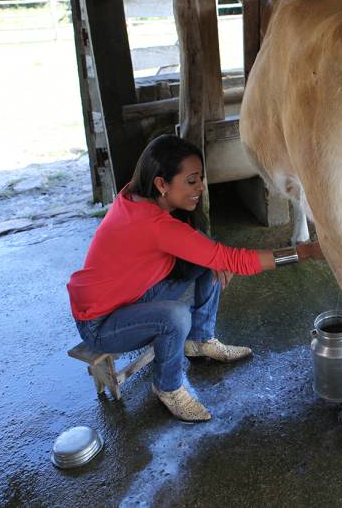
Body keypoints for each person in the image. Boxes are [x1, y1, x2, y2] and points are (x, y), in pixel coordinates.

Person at [67, 134, 324, 423]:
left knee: (206, 256)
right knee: (174, 317)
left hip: (131, 296)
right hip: (100, 323)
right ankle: (168, 387)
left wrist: (216, 258)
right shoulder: (154, 225)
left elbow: (214, 253)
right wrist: (306, 252)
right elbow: (238, 261)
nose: (201, 187)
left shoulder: (137, 196)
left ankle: (200, 341)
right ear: (161, 184)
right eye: (191, 181)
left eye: (200, 178)